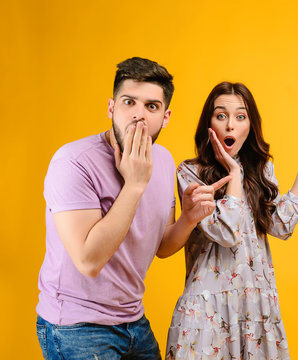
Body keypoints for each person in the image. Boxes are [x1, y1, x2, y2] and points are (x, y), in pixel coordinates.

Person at [36, 57, 229, 360]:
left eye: (151, 106)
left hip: (133, 322)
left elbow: (161, 245)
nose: (139, 115)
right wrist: (135, 184)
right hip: (77, 327)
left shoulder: (163, 160)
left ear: (165, 117)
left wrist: (189, 218)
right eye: (129, 102)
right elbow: (88, 261)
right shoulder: (73, 162)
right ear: (112, 108)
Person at [166, 82, 298, 359]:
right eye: (221, 115)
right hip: (208, 312)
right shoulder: (190, 173)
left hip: (255, 309)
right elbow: (227, 232)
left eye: (240, 116)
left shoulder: (261, 169)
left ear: (250, 125)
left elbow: (280, 226)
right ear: (209, 123)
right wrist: (234, 174)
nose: (230, 126)